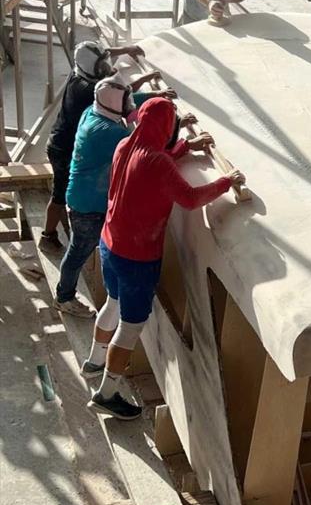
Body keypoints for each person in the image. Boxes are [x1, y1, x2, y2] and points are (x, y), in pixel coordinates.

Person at [86, 96, 245, 419]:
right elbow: (188, 198)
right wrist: (226, 182)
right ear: (166, 127)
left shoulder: (125, 145)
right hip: (136, 256)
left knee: (112, 304)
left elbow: (151, 163)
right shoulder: (157, 162)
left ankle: (94, 361)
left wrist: (185, 147)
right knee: (131, 326)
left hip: (110, 243)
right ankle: (106, 393)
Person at [54, 71, 191, 318]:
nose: (131, 104)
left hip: (80, 196)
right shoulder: (112, 133)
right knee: (79, 251)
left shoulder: (93, 111)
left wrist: (155, 97)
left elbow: (128, 101)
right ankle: (64, 297)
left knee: (80, 248)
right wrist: (184, 146)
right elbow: (147, 157)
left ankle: (67, 294)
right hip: (89, 206)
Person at [41, 39, 156, 252]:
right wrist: (152, 94)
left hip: (61, 139)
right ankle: (47, 236)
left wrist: (125, 49)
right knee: (60, 192)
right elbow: (123, 98)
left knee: (66, 188)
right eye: (102, 66)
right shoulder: (90, 90)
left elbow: (101, 55)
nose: (107, 68)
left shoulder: (79, 72)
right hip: (63, 149)